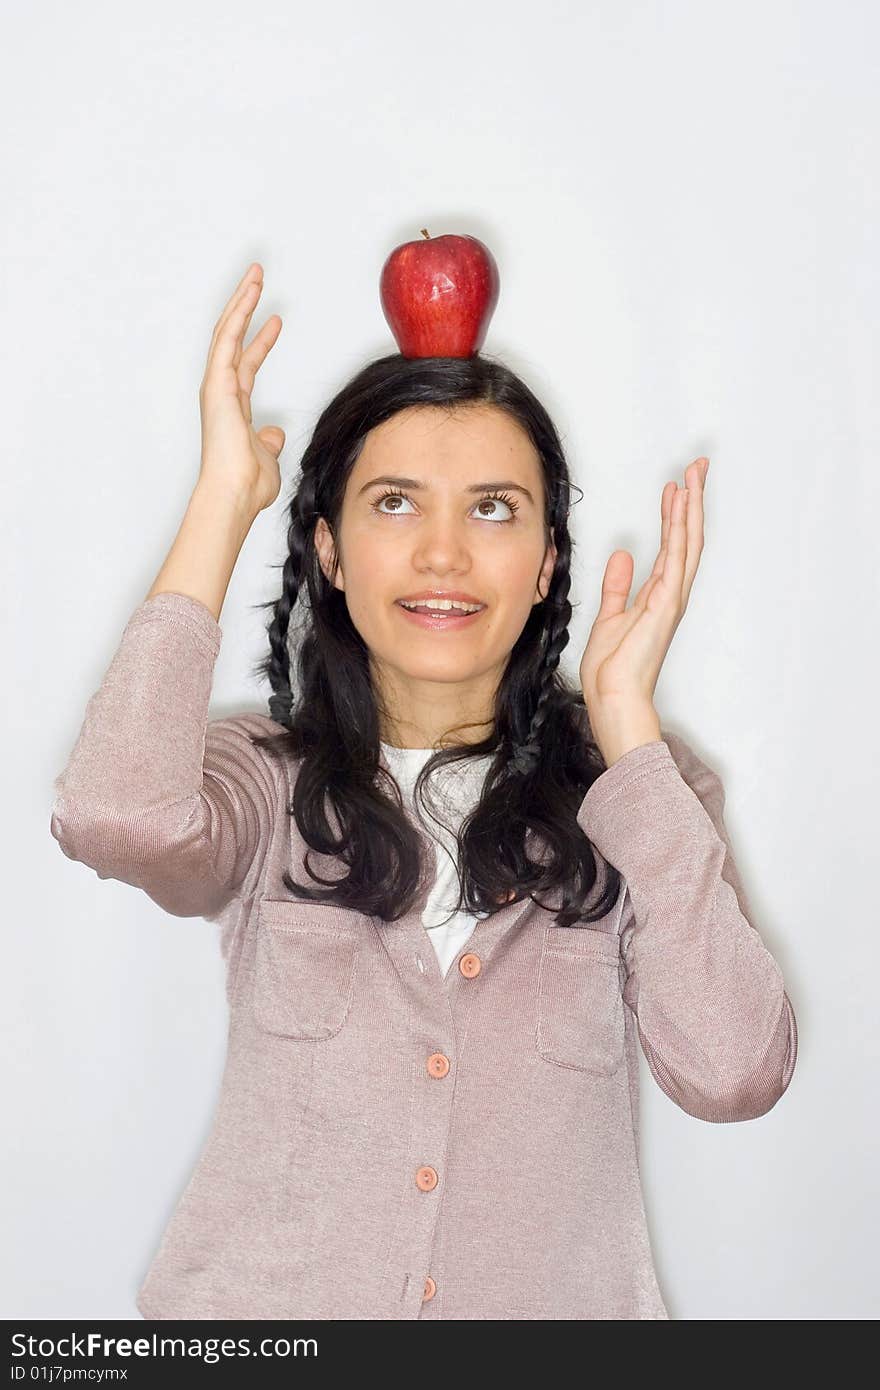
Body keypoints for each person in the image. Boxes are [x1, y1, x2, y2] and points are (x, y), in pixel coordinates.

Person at [50, 262, 798, 1320]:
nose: (442, 552)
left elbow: (733, 1073)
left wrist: (627, 732)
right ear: (330, 551)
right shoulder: (263, 781)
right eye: (393, 502)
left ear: (546, 562)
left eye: (493, 510)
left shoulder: (645, 796)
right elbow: (112, 817)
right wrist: (224, 501)